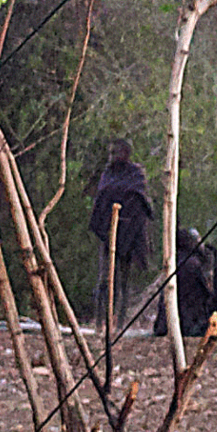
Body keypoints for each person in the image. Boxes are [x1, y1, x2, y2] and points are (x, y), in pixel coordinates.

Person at [86, 138, 154, 323]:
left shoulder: (136, 173)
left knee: (124, 280)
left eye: (115, 152)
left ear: (125, 153)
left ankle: (122, 322)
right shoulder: (108, 173)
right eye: (110, 153)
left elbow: (140, 198)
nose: (112, 156)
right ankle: (101, 322)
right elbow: (103, 196)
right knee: (105, 279)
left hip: (130, 233)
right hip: (109, 233)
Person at [154, 227, 217, 336]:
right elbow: (206, 298)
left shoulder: (174, 263)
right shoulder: (191, 265)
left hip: (169, 326)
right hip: (188, 326)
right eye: (197, 240)